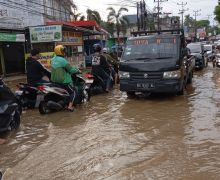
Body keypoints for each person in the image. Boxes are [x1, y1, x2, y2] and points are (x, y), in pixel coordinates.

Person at [51, 45, 80, 111]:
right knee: (74, 92)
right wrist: (77, 70)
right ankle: (70, 106)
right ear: (60, 51)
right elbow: (71, 70)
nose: (64, 52)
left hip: (54, 82)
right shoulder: (63, 61)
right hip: (64, 82)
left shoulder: (52, 59)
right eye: (63, 50)